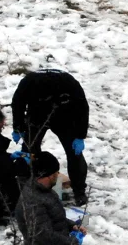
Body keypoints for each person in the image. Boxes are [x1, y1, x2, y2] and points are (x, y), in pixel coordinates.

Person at [11, 69, 90, 206]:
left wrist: (80, 136)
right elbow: (17, 103)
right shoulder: (29, 83)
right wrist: (18, 128)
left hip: (63, 117)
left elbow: (83, 108)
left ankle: (79, 191)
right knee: (29, 150)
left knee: (74, 154)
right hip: (36, 117)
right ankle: (27, 184)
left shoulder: (68, 83)